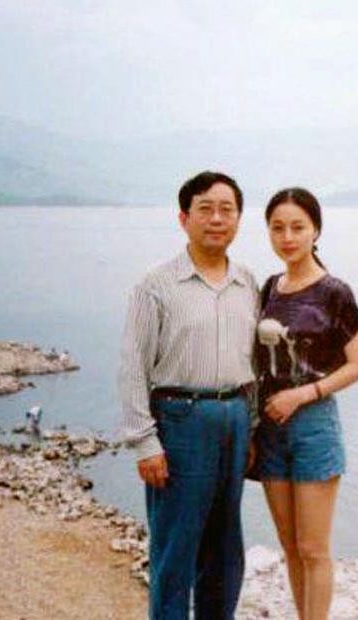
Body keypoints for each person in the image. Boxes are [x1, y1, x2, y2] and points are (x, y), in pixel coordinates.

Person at [118, 171, 258, 620]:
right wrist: (145, 442)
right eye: (205, 209)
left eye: (226, 210)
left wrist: (252, 427)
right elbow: (133, 366)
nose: (217, 219)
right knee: (175, 549)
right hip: (180, 421)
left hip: (235, 418)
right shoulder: (155, 285)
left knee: (225, 548)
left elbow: (253, 363)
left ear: (238, 219)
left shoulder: (247, 282)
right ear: (184, 218)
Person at [252, 187, 358, 620]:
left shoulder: (335, 292)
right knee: (290, 547)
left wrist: (304, 394)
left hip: (314, 425)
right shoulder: (269, 288)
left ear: (315, 230)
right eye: (277, 228)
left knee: (314, 549)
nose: (287, 237)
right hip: (270, 427)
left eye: (297, 227)